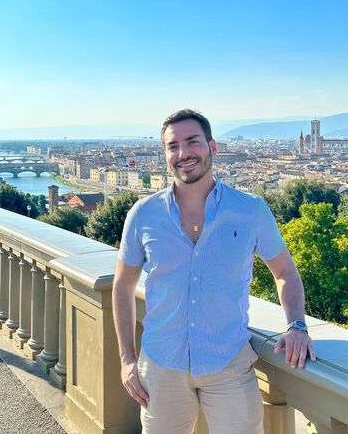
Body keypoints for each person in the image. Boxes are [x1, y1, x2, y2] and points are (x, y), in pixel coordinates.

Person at [113, 109, 316, 434]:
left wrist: (297, 326)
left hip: (229, 366)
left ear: (212, 147)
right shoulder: (143, 215)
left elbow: (286, 273)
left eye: (192, 141)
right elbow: (123, 286)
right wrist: (126, 359)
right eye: (173, 146)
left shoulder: (250, 211)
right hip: (161, 366)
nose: (183, 153)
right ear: (165, 154)